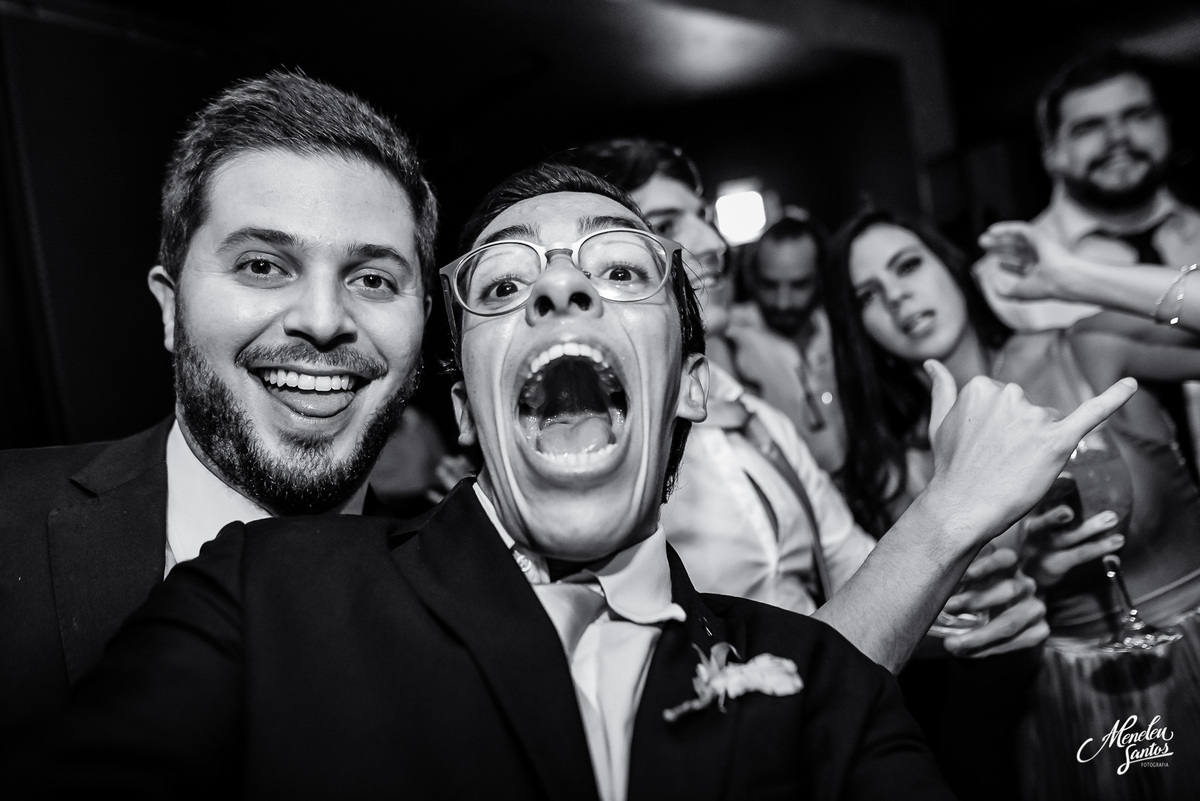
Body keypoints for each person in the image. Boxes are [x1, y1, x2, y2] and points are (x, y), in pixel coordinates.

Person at [25, 162, 1133, 800]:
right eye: (505, 284)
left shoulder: (809, 674)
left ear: (692, 386)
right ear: (464, 405)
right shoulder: (267, 590)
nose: (560, 292)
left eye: (616, 268)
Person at [0, 70, 438, 762]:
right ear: (171, 307)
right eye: (264, 265)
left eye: (373, 279)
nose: (323, 321)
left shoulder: (461, 616)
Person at [564, 138, 1047, 670]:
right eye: (668, 222)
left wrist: (971, 619)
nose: (713, 242)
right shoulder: (583, 451)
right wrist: (951, 510)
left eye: (703, 218)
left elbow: (860, 573)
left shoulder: (754, 415)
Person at [826, 206, 1200, 801]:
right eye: (869, 294)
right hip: (1067, 713)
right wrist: (1033, 576)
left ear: (952, 268)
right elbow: (917, 638)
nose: (897, 297)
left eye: (908, 266)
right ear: (858, 324)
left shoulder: (1078, 353)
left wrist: (1069, 277)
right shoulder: (904, 472)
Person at [974, 46, 1200, 480]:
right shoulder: (1004, 280)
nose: (1118, 137)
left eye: (1137, 116)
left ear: (1166, 126)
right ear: (1051, 154)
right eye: (1089, 127)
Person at [729, 212, 849, 476]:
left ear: (821, 278)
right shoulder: (732, 337)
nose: (783, 302)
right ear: (753, 279)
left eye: (799, 285)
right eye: (770, 285)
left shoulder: (843, 330)